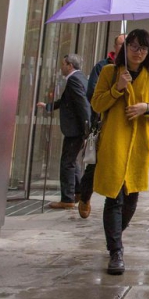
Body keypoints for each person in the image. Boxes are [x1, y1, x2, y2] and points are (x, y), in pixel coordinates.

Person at [91, 28, 149, 275]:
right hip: (115, 143)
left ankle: (114, 238)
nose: (138, 52)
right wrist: (117, 88)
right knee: (114, 197)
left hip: (138, 146)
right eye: (133, 47)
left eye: (143, 48)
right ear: (126, 47)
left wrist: (146, 107)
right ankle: (116, 251)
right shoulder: (110, 72)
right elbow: (97, 104)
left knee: (131, 200)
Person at [79, 34, 127, 219]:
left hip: (124, 126)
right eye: (121, 44)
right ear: (114, 46)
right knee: (94, 164)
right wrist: (117, 87)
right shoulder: (103, 67)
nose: (125, 48)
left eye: (128, 45)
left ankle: (118, 204)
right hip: (103, 123)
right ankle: (85, 197)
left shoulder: (135, 70)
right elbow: (93, 95)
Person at [36, 54, 91, 210]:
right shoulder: (79, 78)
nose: (61, 67)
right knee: (71, 161)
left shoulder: (74, 80)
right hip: (78, 130)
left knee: (67, 162)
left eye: (63, 64)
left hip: (76, 130)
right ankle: (79, 192)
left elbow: (83, 105)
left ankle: (67, 199)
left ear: (70, 65)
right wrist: (48, 106)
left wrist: (86, 130)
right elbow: (67, 101)